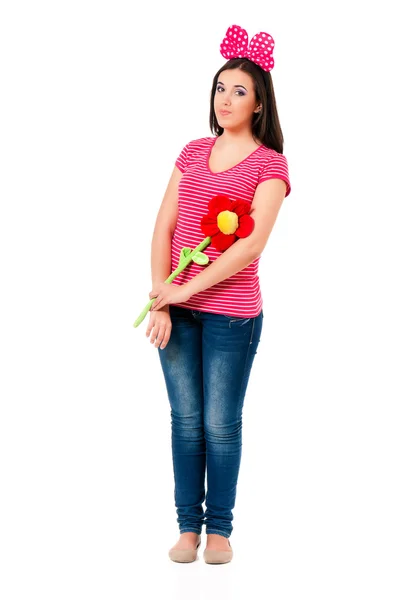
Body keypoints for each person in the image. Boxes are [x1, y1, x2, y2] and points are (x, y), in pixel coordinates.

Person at [145, 24, 291, 564]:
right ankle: (187, 530)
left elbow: (249, 247)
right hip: (176, 310)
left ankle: (220, 531)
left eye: (238, 91)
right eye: (220, 87)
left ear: (257, 105)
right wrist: (162, 298)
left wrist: (181, 288)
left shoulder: (269, 164)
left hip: (231, 316)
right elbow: (163, 227)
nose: (224, 98)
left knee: (219, 423)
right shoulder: (191, 150)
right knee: (184, 421)